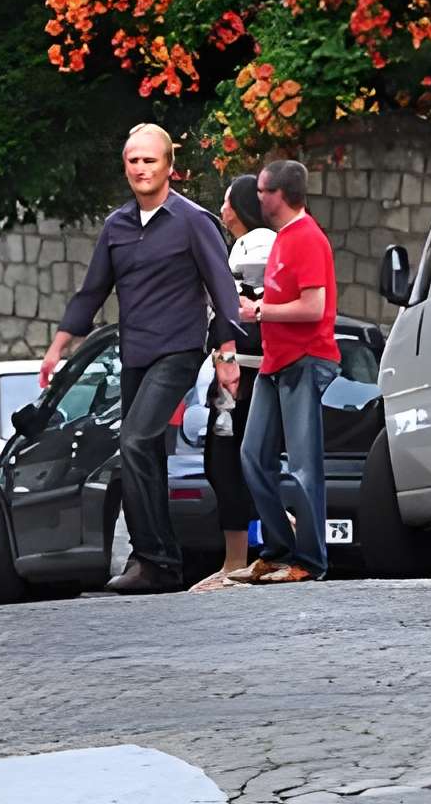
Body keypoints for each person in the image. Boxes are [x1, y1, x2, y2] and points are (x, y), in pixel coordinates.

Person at [46, 121, 239, 595]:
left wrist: (226, 351)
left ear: (170, 167)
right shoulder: (117, 226)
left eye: (149, 160)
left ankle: (151, 556)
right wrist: (59, 345)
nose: (140, 168)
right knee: (140, 449)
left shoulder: (193, 221)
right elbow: (93, 290)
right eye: (133, 160)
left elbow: (222, 289)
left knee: (134, 439)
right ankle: (161, 564)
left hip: (178, 349)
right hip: (135, 353)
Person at [238, 155, 337, 585]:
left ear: (281, 194)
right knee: (253, 456)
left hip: (304, 359)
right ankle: (278, 550)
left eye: (263, 190)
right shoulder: (283, 238)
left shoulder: (307, 237)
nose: (257, 197)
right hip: (276, 362)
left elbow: (314, 307)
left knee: (303, 466)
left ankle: (310, 561)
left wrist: (259, 311)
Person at [193, 174, 268, 590]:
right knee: (223, 462)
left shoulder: (257, 244)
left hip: (241, 371)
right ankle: (235, 560)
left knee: (225, 462)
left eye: (226, 201)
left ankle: (237, 562)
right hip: (236, 369)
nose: (222, 210)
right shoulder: (242, 245)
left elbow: (239, 306)